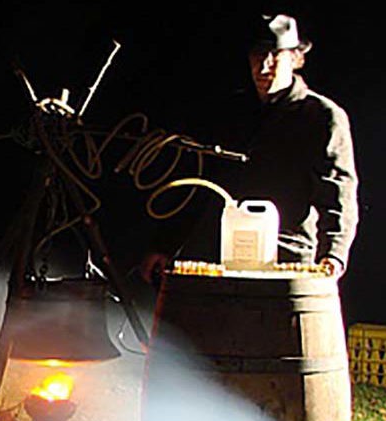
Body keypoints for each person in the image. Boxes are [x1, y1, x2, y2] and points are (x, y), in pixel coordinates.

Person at [142, 13, 359, 281]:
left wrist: (333, 255)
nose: (264, 66)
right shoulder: (231, 112)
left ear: (295, 59)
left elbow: (338, 193)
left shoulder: (321, 117)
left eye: (274, 55)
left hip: (286, 260)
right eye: (257, 55)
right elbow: (200, 185)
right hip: (223, 257)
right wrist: (165, 244)